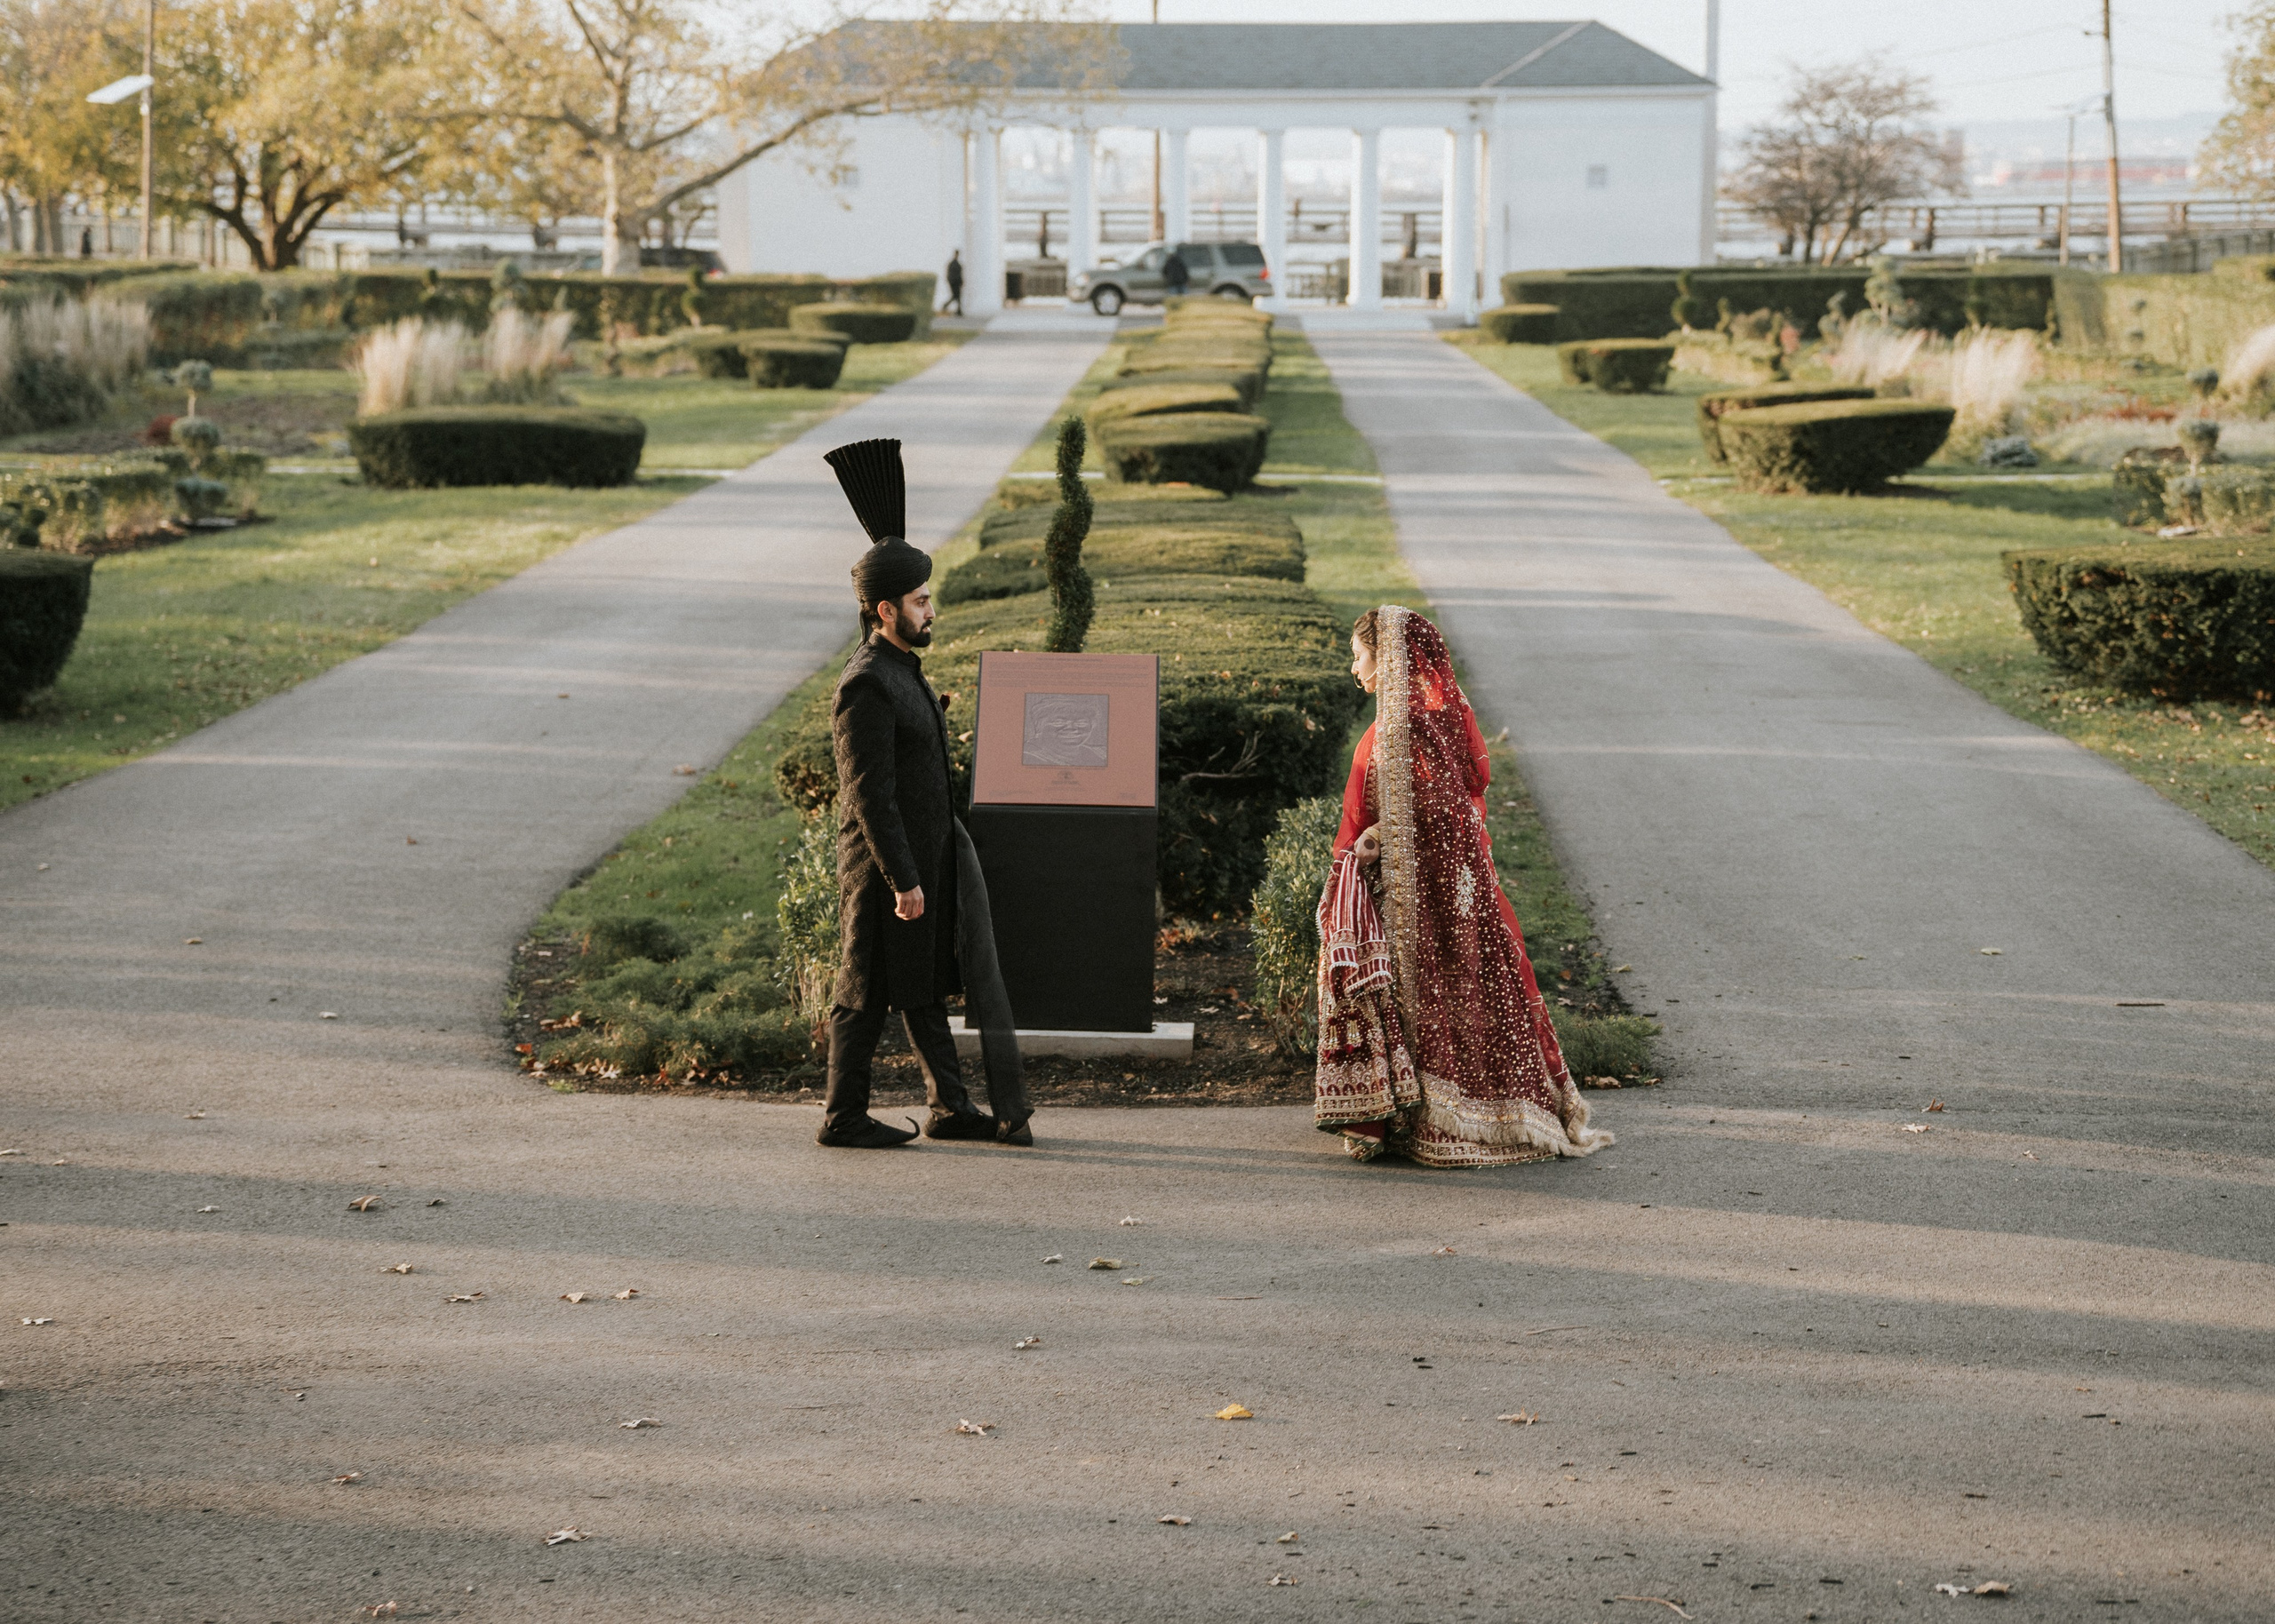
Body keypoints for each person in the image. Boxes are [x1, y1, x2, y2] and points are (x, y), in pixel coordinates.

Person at [1313, 606, 1611, 1167]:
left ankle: (1432, 1116)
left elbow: (1444, 810)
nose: (1354, 669)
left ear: (1388, 659)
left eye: (1359, 656)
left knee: (1429, 994)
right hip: (1417, 888)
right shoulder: (1412, 724)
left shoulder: (1409, 730)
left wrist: (1378, 834)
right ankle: (1398, 1115)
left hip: (1424, 895)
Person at [819, 437, 1029, 1149]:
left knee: (921, 984)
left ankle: (950, 1107)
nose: (931, 609)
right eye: (920, 601)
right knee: (861, 991)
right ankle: (841, 1116)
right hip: (883, 870)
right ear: (885, 610)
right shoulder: (865, 686)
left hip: (918, 861)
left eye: (929, 597)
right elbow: (869, 797)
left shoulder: (902, 666)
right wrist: (903, 880)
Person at [943, 250, 964, 316]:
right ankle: (946, 306)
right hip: (954, 282)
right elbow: (951, 274)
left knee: (957, 296)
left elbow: (959, 274)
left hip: (956, 282)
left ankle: (959, 310)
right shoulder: (953, 264)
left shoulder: (956, 264)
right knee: (956, 296)